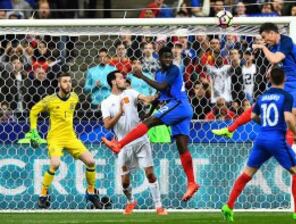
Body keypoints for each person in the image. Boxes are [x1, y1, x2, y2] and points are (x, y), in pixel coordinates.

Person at [216, 68, 296, 222]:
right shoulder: (286, 96)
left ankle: (228, 206)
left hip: (261, 138)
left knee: (246, 174)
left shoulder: (263, 96)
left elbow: (253, 115)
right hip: (277, 139)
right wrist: (295, 135)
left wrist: (266, 123)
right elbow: (289, 119)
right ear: (285, 79)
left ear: (270, 79)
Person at [103, 47, 200, 201]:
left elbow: (162, 87)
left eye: (170, 57)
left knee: (150, 123)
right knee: (182, 147)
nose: (168, 59)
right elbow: (159, 96)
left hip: (179, 104)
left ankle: (119, 144)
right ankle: (192, 182)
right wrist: (148, 113)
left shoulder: (174, 69)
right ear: (159, 58)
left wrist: (141, 76)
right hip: (176, 109)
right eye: (165, 57)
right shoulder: (159, 73)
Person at [213, 23, 296, 146]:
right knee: (256, 111)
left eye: (264, 36)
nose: (264, 40)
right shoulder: (273, 46)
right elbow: (277, 60)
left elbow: (274, 58)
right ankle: (230, 129)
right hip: (282, 82)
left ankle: (287, 152)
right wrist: (271, 68)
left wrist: (263, 48)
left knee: (291, 118)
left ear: (272, 33)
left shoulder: (286, 41)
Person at [24, 73, 102, 209]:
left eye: (70, 81)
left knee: (91, 161)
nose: (68, 84)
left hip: (71, 137)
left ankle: (91, 192)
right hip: (55, 138)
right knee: (55, 164)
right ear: (59, 84)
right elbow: (33, 111)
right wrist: (33, 130)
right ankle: (43, 195)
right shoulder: (50, 100)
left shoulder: (74, 97)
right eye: (65, 81)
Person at [101, 71, 167, 215]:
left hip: (141, 139)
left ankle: (159, 206)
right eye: (120, 77)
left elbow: (146, 99)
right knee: (125, 182)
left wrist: (155, 97)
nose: (124, 79)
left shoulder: (130, 93)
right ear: (113, 81)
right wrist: (119, 112)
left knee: (150, 173)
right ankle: (131, 201)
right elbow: (107, 125)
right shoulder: (106, 102)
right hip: (123, 145)